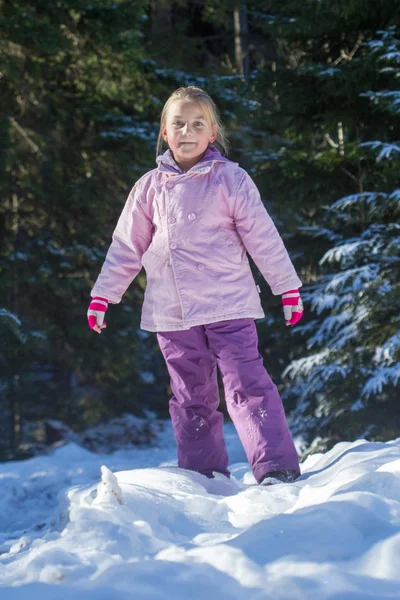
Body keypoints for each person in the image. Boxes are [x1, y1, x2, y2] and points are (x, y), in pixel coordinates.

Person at [87, 86, 304, 486]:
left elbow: (263, 237)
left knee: (247, 384)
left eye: (198, 124)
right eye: (179, 124)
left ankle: (276, 465)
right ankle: (204, 472)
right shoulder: (149, 187)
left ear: (212, 134)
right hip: (173, 312)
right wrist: (103, 296)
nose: (188, 131)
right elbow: (125, 247)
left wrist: (286, 288)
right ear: (165, 133)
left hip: (229, 304)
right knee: (191, 396)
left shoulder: (231, 180)